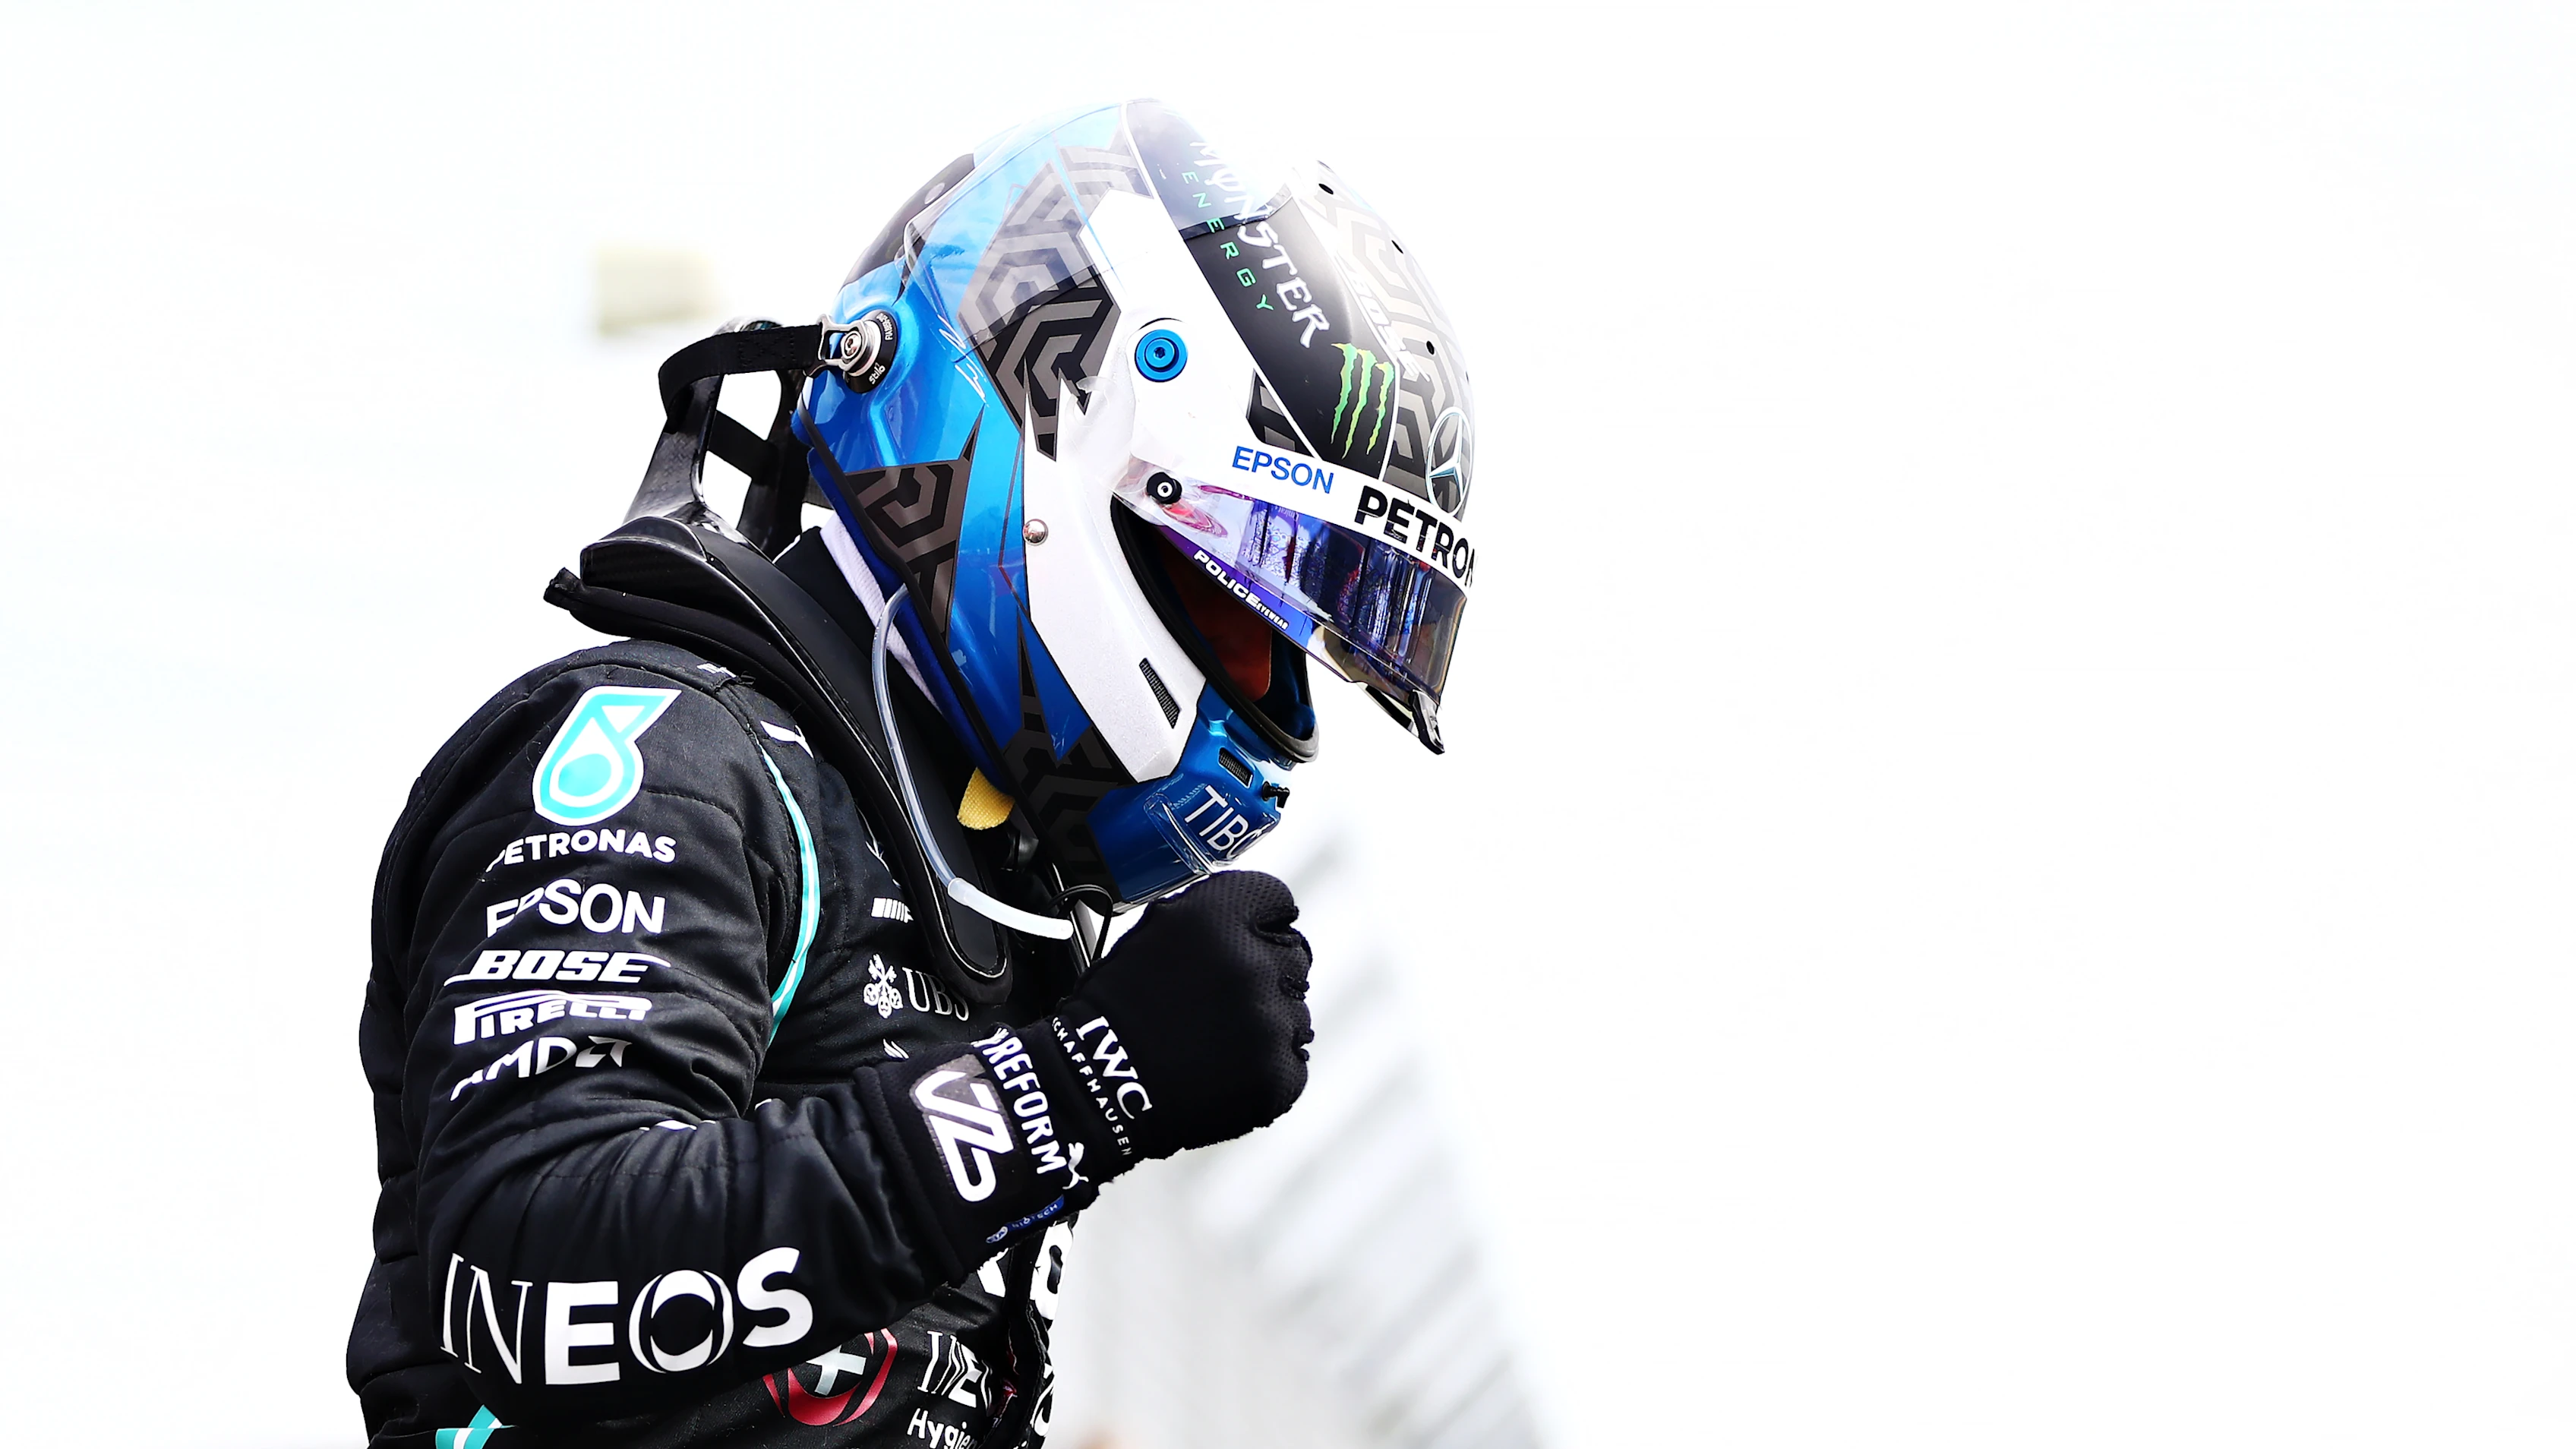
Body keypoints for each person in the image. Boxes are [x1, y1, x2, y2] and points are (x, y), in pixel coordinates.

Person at [348, 98, 1480, 1449]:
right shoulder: (669, 761)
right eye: (1246, 598)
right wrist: (1079, 1085)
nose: (1271, 684)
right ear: (1057, 426)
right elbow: (532, 1272)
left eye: (1300, 648)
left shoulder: (960, 871)